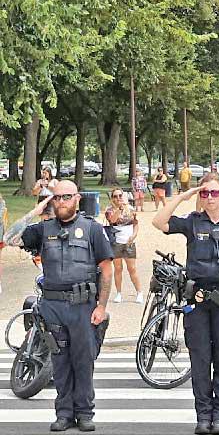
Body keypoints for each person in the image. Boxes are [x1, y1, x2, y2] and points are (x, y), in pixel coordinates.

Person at [152, 173, 219, 435]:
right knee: (200, 360)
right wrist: (184, 195)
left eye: (214, 193)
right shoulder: (192, 223)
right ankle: (203, 415)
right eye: (205, 193)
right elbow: (158, 221)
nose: (209, 198)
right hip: (197, 302)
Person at [4, 181, 113, 432]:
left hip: (83, 306)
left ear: (77, 199)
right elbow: (9, 237)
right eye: (56, 197)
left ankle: (84, 413)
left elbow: (106, 270)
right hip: (52, 306)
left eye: (66, 197)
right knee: (60, 362)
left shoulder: (92, 229)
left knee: (83, 362)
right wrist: (39, 207)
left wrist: (102, 307)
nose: (61, 201)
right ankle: (64, 414)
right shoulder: (43, 230)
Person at [105, 188, 143, 304]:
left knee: (132, 268)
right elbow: (112, 220)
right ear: (112, 198)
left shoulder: (130, 209)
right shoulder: (109, 210)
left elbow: (136, 224)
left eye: (120, 195)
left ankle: (139, 292)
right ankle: (119, 293)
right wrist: (119, 209)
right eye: (115, 196)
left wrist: (134, 235)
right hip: (116, 242)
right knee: (118, 268)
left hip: (128, 242)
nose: (118, 198)